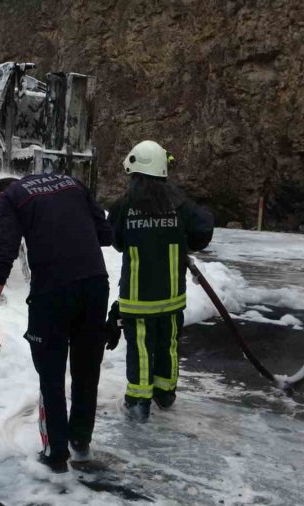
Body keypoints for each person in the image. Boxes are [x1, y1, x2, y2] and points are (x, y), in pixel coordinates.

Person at [0, 173, 112, 473]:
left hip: (52, 292)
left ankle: (55, 453)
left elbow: (4, 253)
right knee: (86, 368)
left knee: (51, 374)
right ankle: (80, 442)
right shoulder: (73, 183)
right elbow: (106, 235)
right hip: (95, 285)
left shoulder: (9, 198)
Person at [107, 140, 214, 422]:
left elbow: (115, 240)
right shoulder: (179, 202)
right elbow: (203, 230)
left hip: (137, 299)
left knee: (140, 348)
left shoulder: (123, 206)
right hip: (171, 299)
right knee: (168, 344)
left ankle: (139, 403)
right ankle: (165, 394)